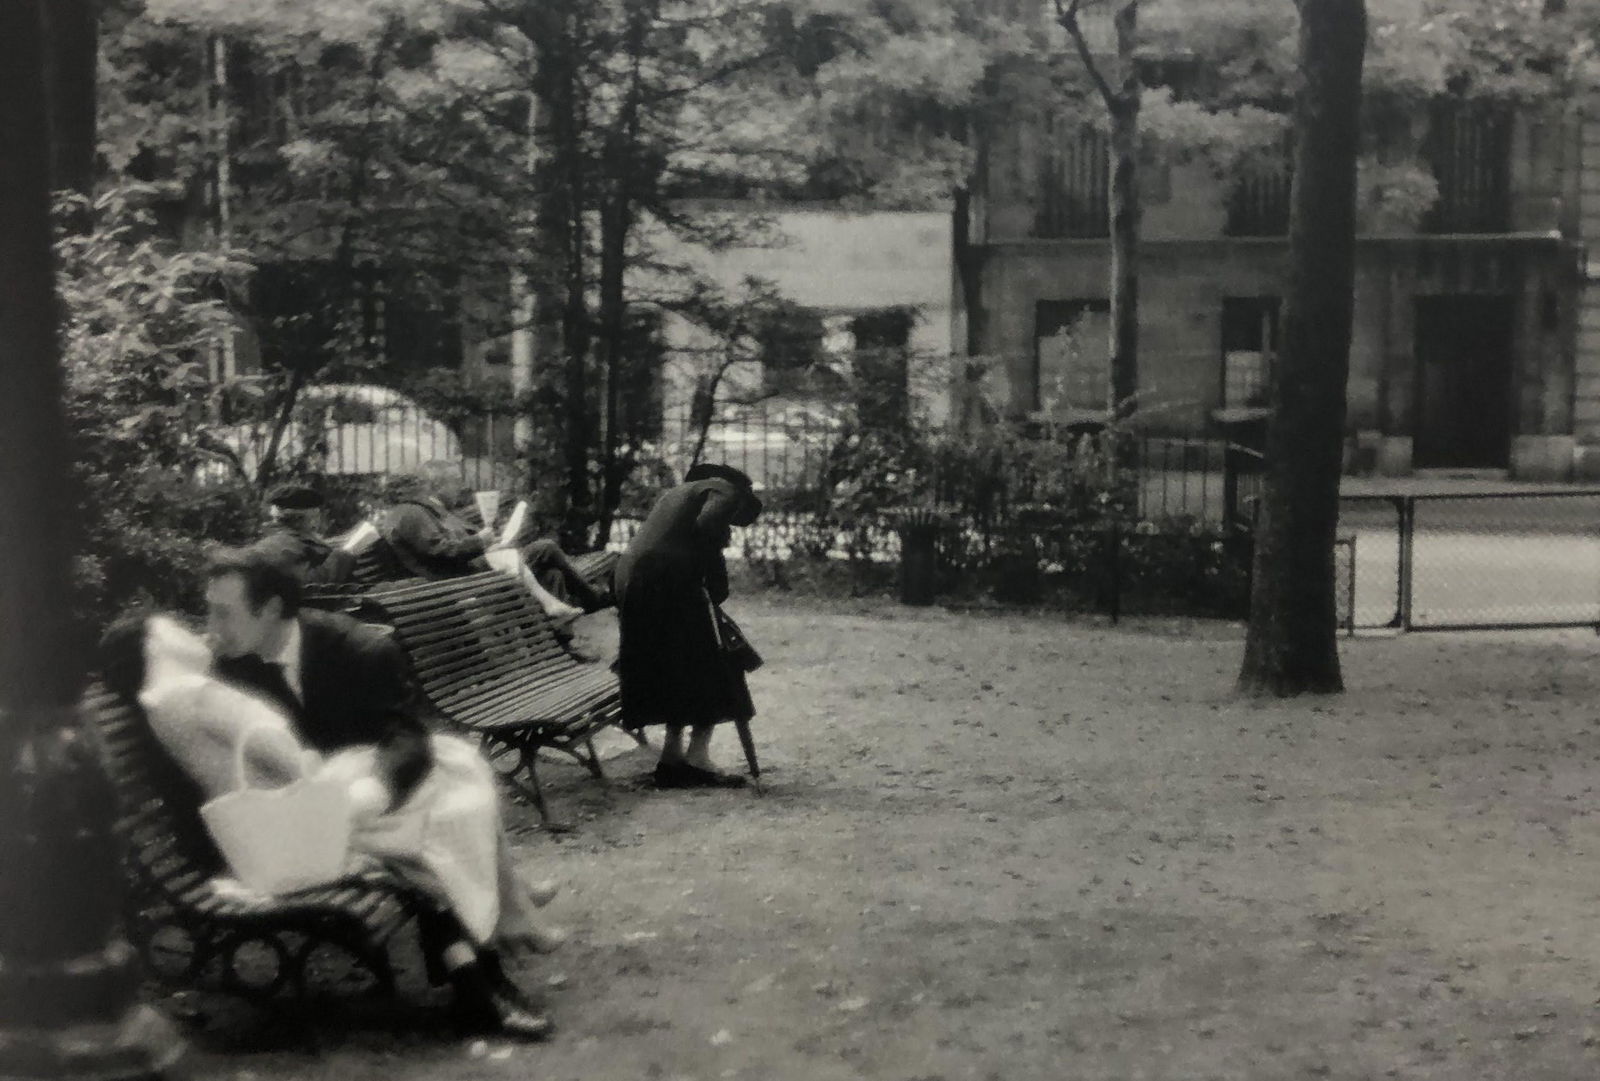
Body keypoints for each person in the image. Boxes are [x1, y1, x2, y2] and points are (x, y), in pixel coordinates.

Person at [192, 544, 555, 1039]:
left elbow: (406, 736)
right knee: (424, 838)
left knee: (437, 817)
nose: (212, 625)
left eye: (223, 611)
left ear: (272, 608)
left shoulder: (356, 647)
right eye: (209, 610)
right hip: (296, 823)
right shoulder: (227, 671)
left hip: (367, 795)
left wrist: (375, 789)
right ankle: (485, 978)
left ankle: (480, 979)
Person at [614, 462, 762, 789]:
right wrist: (714, 580)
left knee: (677, 666)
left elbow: (694, 535)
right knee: (711, 662)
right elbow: (709, 526)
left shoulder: (681, 493)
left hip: (634, 579)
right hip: (664, 581)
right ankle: (697, 758)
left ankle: (671, 758)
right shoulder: (726, 491)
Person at [376, 471, 610, 617]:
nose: (427, 491)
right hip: (457, 576)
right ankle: (591, 600)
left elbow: (443, 545)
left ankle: (561, 635)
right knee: (546, 548)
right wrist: (481, 541)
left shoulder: (410, 512)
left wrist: (486, 544)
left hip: (465, 567)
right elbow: (442, 550)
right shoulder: (408, 513)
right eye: (422, 486)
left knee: (552, 573)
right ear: (411, 490)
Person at [255, 482, 356, 586]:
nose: (318, 520)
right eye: (316, 515)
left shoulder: (278, 538)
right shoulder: (286, 546)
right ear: (303, 518)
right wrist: (343, 555)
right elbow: (307, 583)